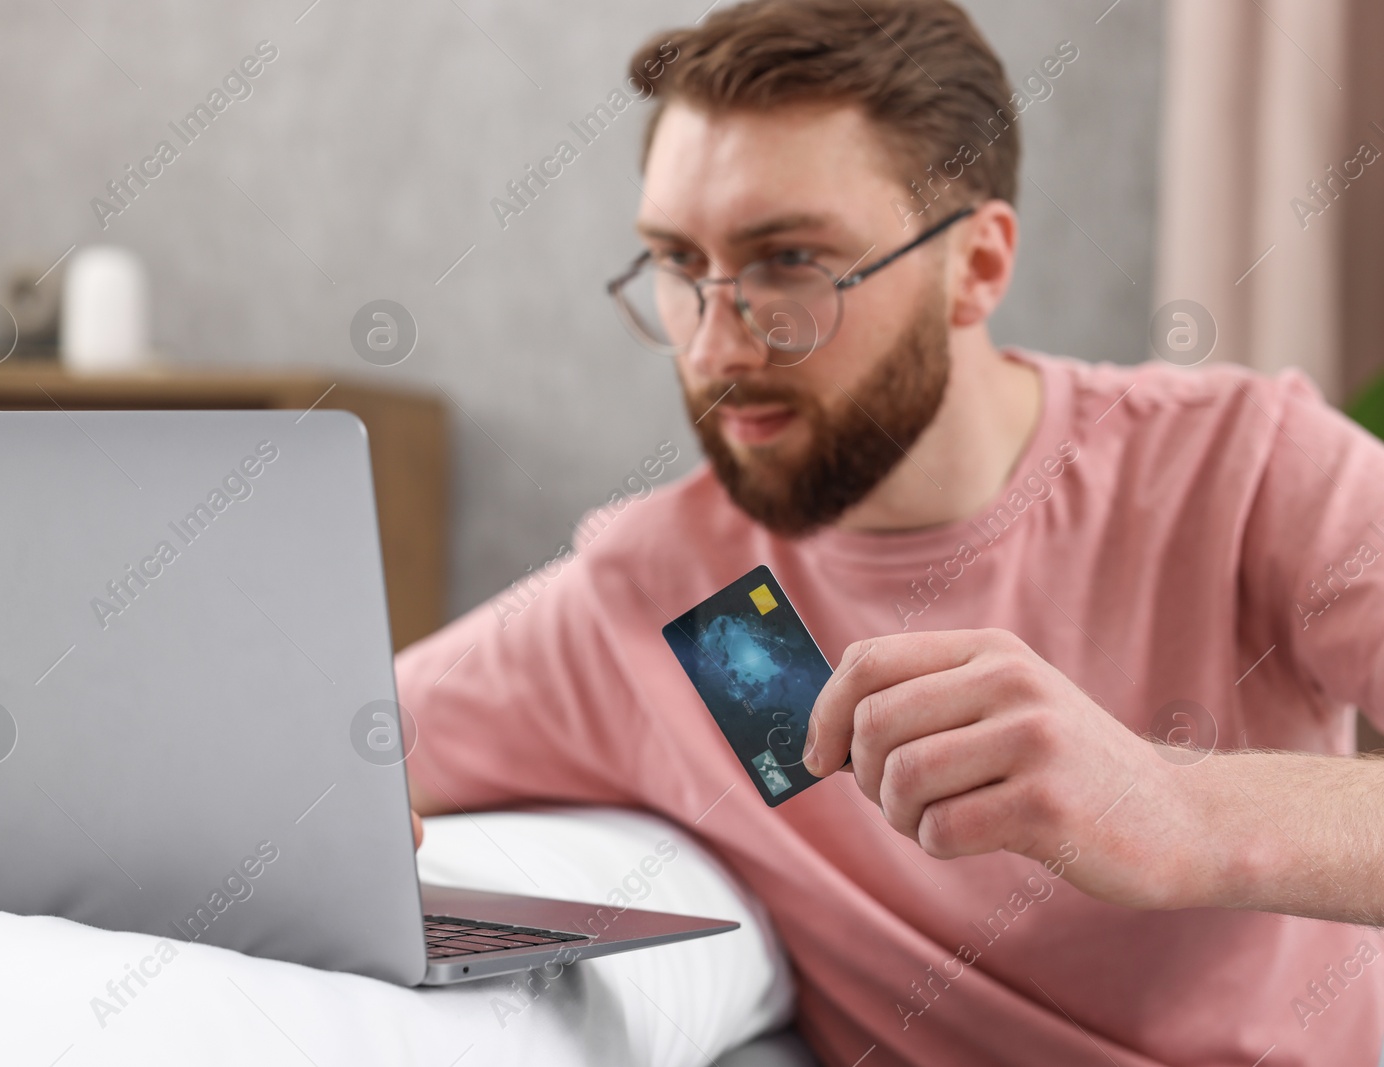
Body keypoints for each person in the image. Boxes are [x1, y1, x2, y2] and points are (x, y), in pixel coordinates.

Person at [399, 1, 1384, 1063]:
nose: (716, 346)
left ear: (977, 266)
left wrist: (1182, 810)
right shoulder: (647, 592)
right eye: (680, 264)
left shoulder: (1247, 467)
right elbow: (334, 747)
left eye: (789, 261)